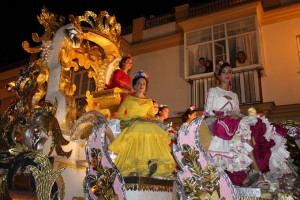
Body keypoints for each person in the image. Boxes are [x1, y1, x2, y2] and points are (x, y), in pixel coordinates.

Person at [204, 60, 290, 188]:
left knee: (257, 124)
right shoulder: (213, 91)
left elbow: (237, 112)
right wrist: (226, 114)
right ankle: (255, 171)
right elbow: (207, 112)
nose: (227, 75)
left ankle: (257, 169)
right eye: (224, 72)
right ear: (218, 75)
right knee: (244, 127)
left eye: (229, 72)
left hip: (234, 122)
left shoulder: (234, 95)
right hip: (218, 122)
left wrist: (246, 118)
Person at [108, 70, 176, 177]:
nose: (141, 85)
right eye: (139, 83)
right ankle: (138, 165)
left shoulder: (149, 101)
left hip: (145, 125)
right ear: (134, 85)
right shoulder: (129, 98)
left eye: (143, 84)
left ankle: (149, 162)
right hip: (133, 125)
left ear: (146, 87)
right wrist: (133, 119)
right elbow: (119, 114)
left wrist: (148, 119)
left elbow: (151, 117)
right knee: (141, 127)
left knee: (150, 129)